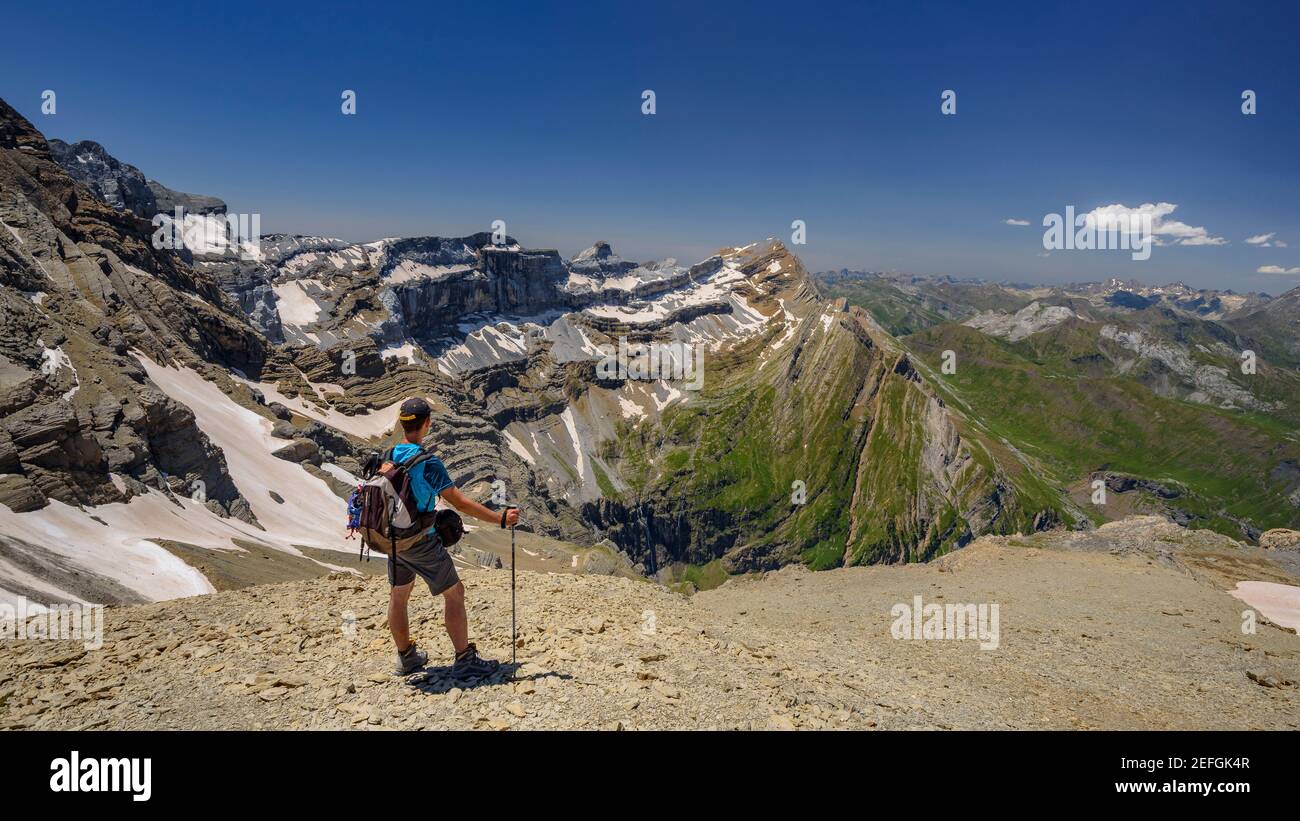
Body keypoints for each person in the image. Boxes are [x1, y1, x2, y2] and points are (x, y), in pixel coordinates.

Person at [383, 397, 520, 677]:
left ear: (403, 424)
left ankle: (406, 657)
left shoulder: (389, 455)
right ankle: (464, 658)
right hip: (420, 540)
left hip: (394, 539)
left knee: (399, 596)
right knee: (455, 593)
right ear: (427, 424)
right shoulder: (428, 463)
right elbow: (460, 503)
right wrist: (500, 518)